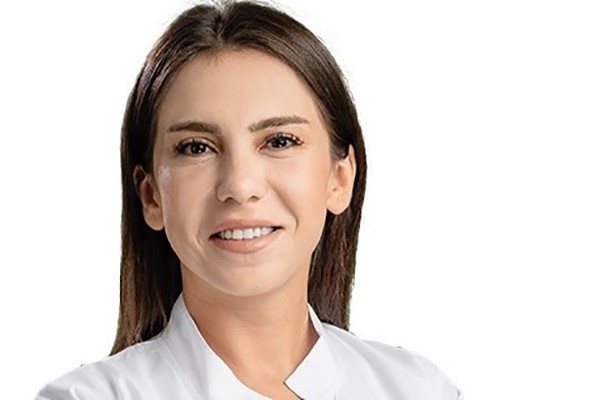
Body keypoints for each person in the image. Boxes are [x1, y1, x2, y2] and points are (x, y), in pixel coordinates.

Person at [36, 1, 462, 399]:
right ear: (151, 196)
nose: (240, 186)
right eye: (196, 147)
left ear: (339, 178)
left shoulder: (417, 389)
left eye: (280, 141)